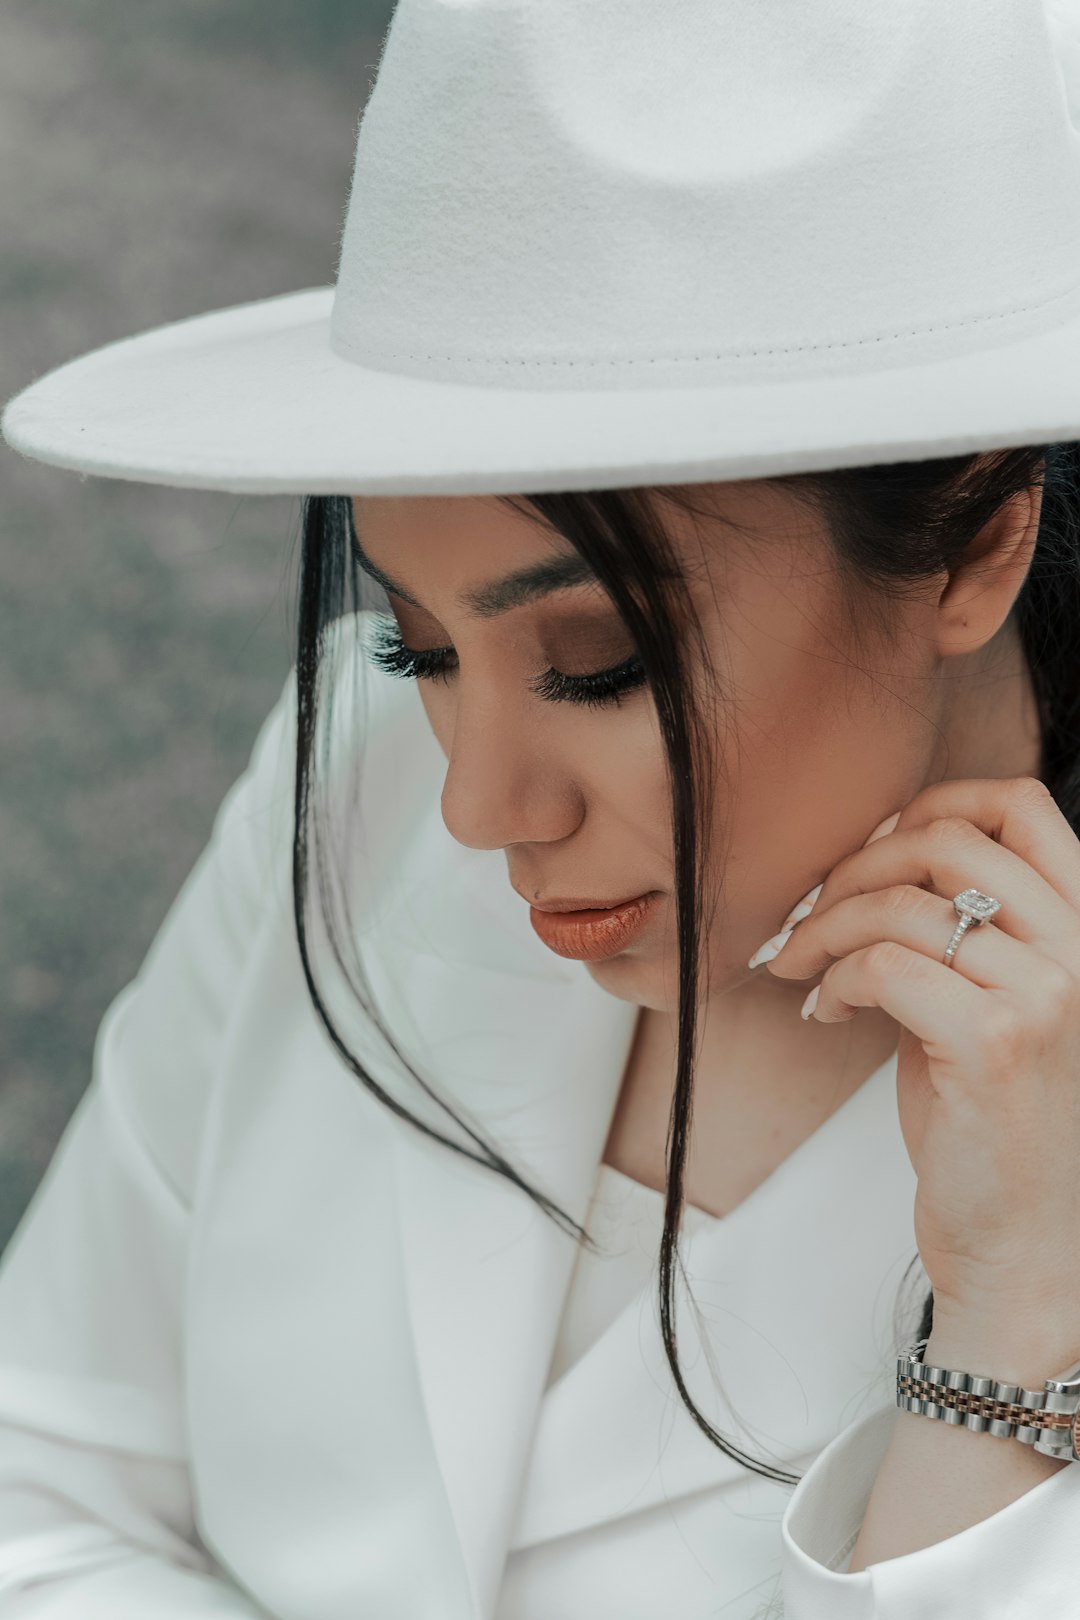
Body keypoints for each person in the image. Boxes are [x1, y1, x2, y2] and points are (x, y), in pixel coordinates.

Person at [4, 1, 1080, 1615]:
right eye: (418, 644)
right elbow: (39, 1482)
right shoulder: (357, 770)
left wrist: (1014, 1340)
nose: (477, 809)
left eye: (598, 665)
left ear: (974, 543)